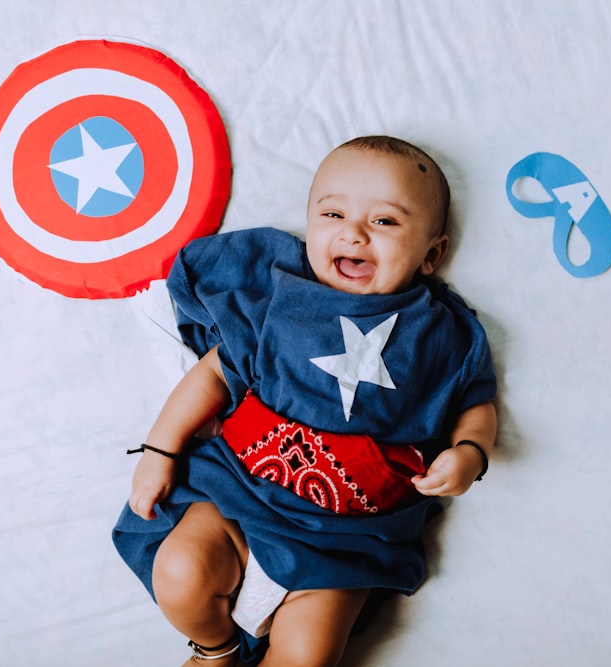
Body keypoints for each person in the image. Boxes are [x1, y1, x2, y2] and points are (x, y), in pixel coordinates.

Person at [113, 135, 498, 667]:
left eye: (384, 222)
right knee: (180, 574)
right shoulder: (283, 300)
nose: (354, 233)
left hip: (345, 541)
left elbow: (475, 402)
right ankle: (214, 649)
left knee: (309, 657)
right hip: (240, 497)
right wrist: (160, 452)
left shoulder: (441, 333)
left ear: (432, 253)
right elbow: (213, 377)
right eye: (333, 214)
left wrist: (470, 453)